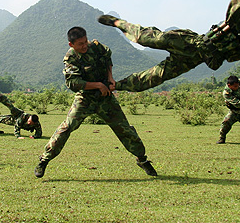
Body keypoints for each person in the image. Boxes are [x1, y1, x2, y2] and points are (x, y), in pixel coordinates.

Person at [98, 0, 240, 92]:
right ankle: (117, 22)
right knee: (148, 39)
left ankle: (117, 85)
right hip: (190, 43)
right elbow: (236, 1)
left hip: (194, 59)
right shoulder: (238, 25)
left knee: (156, 77)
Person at [34, 26, 157, 178]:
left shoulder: (97, 48)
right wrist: (98, 85)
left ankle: (142, 160)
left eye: (85, 41)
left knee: (124, 129)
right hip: (85, 99)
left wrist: (110, 78)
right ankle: (44, 160)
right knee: (66, 128)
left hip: (105, 98)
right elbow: (73, 83)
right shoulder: (71, 58)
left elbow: (107, 57)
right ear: (71, 45)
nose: (85, 46)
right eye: (80, 44)